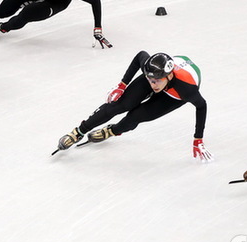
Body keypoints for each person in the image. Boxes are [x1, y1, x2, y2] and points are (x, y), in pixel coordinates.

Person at [55, 51, 212, 162]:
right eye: (149, 80)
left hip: (173, 95)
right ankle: (78, 132)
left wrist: (198, 138)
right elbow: (140, 55)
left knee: (135, 117)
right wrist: (122, 85)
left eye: (156, 81)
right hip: (163, 76)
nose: (152, 85)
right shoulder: (152, 72)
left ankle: (111, 131)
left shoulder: (186, 90)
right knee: (119, 106)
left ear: (169, 75)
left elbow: (202, 106)